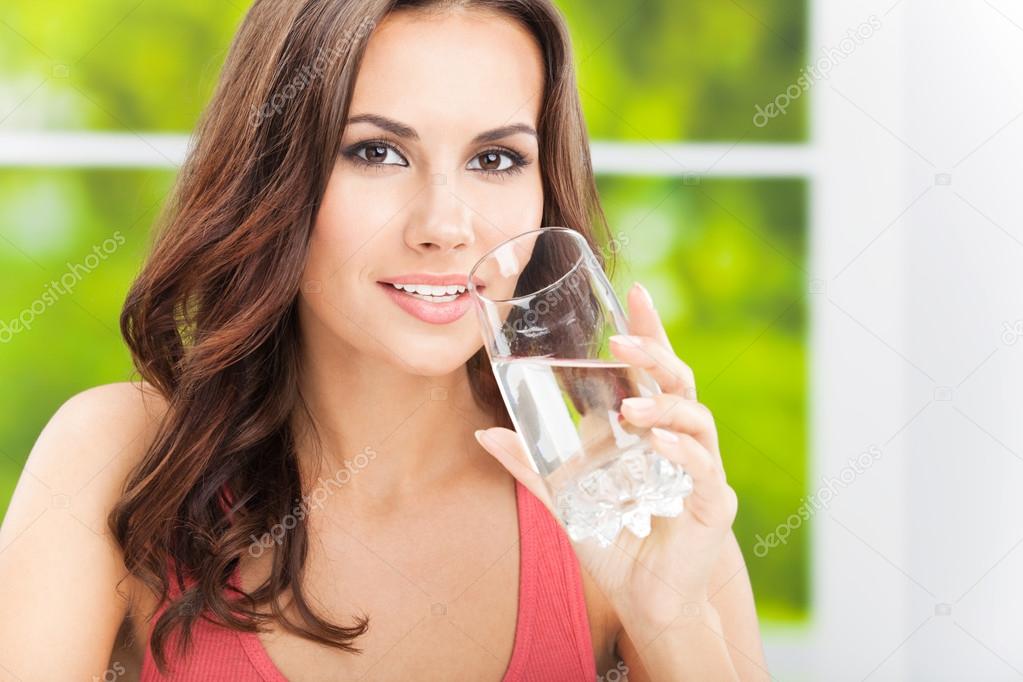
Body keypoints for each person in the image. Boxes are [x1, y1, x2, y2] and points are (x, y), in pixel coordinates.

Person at [0, 0, 769, 679]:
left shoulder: (622, 496)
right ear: (273, 174)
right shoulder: (122, 460)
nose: (444, 225)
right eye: (376, 152)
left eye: (494, 159)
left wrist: (672, 619)